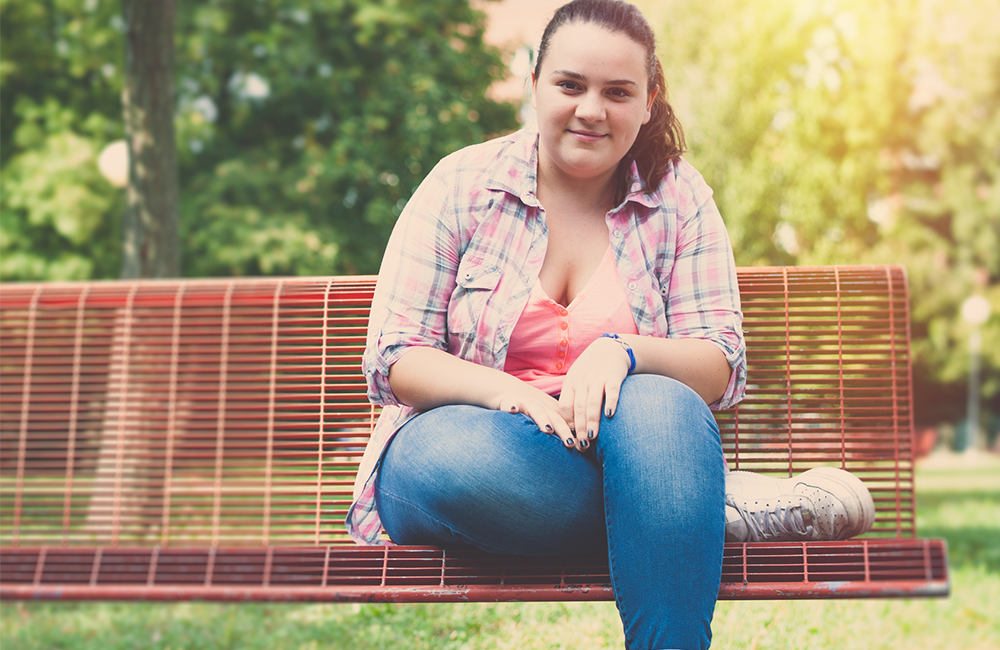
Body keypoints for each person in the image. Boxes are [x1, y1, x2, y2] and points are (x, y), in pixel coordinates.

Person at [347, 1, 874, 648]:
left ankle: (674, 513)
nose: (591, 109)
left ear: (649, 101)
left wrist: (623, 353)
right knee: (447, 455)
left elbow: (719, 362)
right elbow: (396, 356)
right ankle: (697, 508)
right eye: (570, 85)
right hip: (473, 460)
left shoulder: (679, 199)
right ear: (534, 83)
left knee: (661, 403)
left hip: (639, 447)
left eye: (617, 92)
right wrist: (505, 393)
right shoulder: (461, 185)